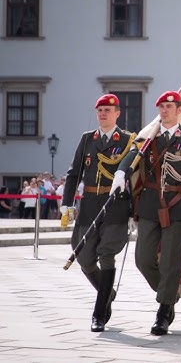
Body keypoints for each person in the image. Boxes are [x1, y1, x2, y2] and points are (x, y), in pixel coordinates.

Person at [112, 90, 181, 336]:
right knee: (143, 259)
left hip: (178, 204)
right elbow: (132, 156)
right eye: (161, 107)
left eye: (170, 107)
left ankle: (163, 311)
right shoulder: (149, 136)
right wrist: (121, 172)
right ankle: (169, 295)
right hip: (151, 204)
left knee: (173, 262)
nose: (165, 111)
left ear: (179, 110)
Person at [60, 94, 135, 332]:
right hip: (90, 203)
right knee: (82, 256)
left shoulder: (127, 140)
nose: (103, 114)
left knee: (106, 254)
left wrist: (135, 211)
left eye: (108, 110)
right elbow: (74, 173)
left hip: (115, 205)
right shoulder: (87, 139)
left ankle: (99, 313)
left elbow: (135, 177)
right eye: (100, 110)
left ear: (117, 114)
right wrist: (67, 202)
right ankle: (107, 291)